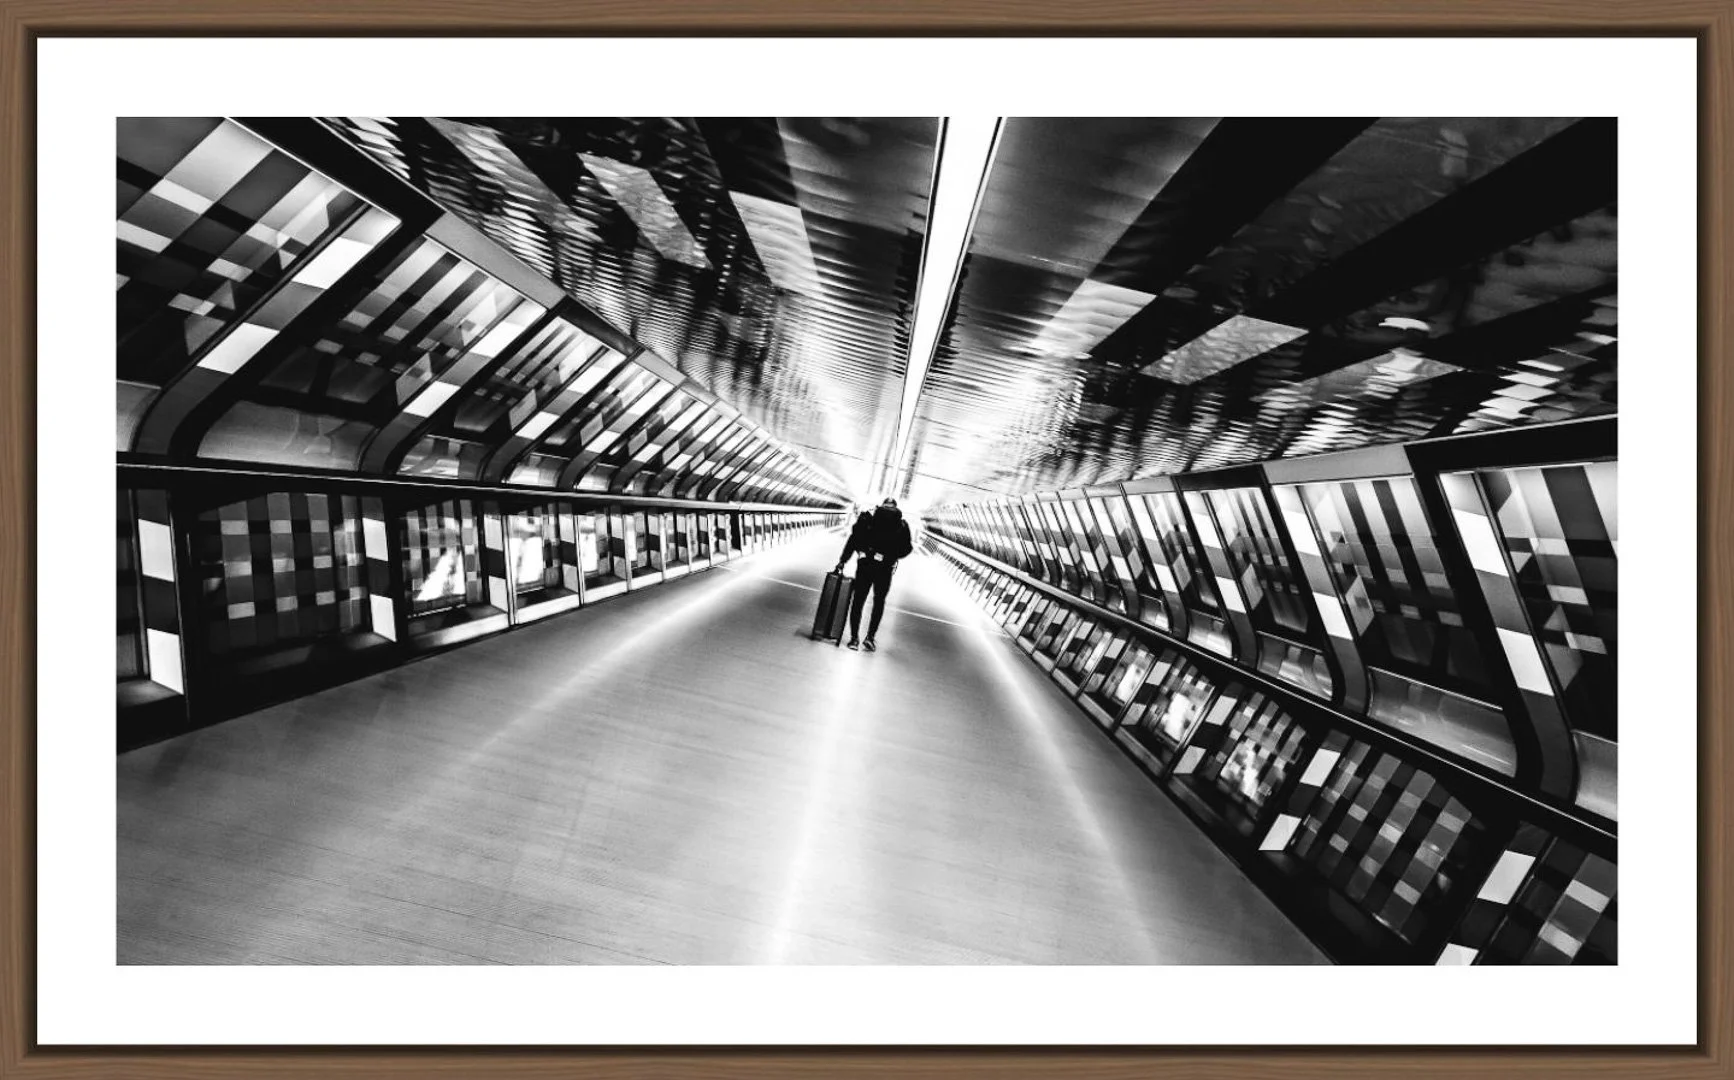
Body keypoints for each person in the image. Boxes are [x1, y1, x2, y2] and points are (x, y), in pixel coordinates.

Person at [835, 497, 914, 651]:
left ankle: (854, 639)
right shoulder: (902, 524)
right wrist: (892, 555)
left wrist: (843, 560)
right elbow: (907, 548)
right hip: (885, 568)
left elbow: (853, 539)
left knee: (858, 601)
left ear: (881, 506)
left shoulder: (868, 518)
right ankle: (870, 637)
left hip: (865, 564)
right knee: (879, 602)